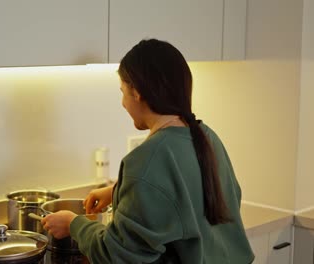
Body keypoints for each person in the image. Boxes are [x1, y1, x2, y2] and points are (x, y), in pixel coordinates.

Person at [41, 39, 254, 264]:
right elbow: (197, 197)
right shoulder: (207, 136)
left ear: (138, 92)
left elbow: (118, 255)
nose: (123, 103)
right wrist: (120, 190)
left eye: (123, 91)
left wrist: (74, 224)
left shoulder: (146, 160)